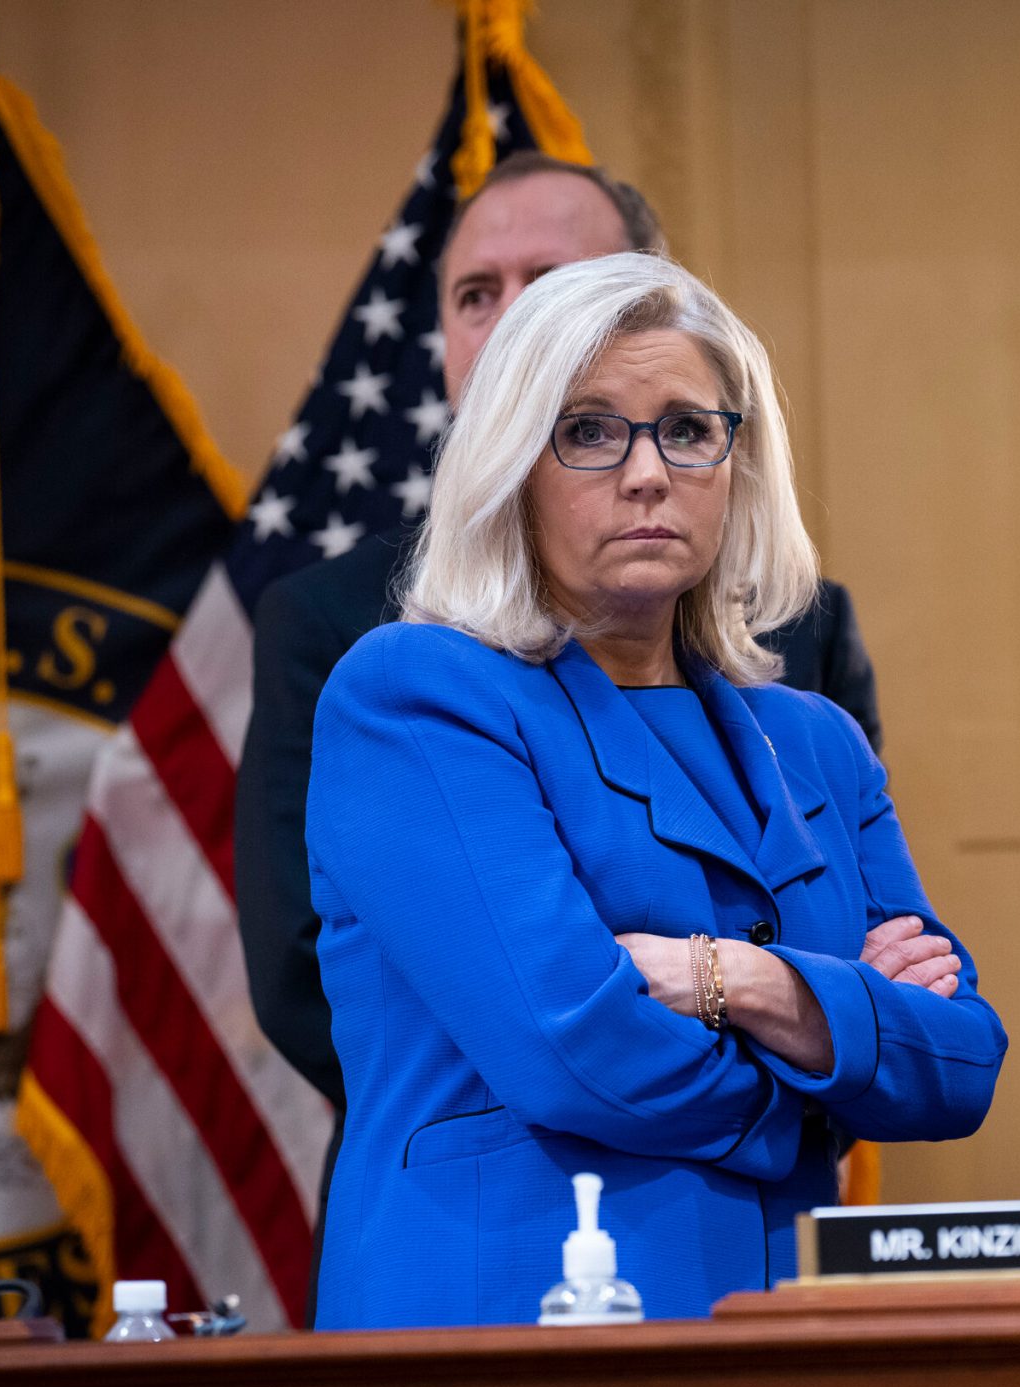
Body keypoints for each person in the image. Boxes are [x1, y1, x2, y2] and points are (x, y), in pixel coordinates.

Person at [305, 252, 1003, 1327]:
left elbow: (958, 1060)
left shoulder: (813, 740)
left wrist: (739, 982)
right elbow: (572, 1051)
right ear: (509, 464)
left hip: (778, 1339)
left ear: (738, 463)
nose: (646, 473)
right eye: (588, 431)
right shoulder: (416, 697)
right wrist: (831, 1068)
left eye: (687, 429)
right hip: (505, 1336)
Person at [236, 153, 880, 1126]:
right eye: (475, 294)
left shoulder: (796, 633)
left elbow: (894, 976)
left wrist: (735, 994)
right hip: (500, 1187)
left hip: (764, 1231)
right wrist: (808, 1068)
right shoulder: (351, 633)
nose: (507, 323)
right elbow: (310, 980)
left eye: (548, 286)